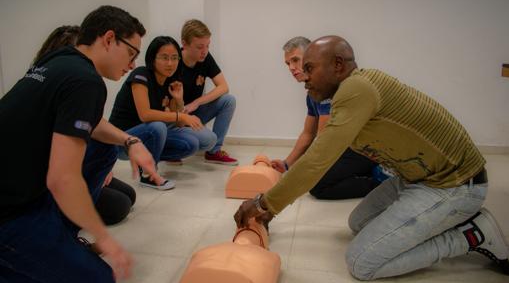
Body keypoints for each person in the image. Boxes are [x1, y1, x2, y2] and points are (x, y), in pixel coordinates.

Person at [234, 35, 509, 280]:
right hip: (417, 178)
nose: (303, 76)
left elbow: (319, 158)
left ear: (338, 66)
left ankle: (471, 235)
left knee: (362, 263)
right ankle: (440, 221)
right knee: (359, 223)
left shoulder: (357, 89)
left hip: (455, 184)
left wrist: (264, 203)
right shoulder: (350, 88)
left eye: (309, 68)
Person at [0, 5, 156, 282]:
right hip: (10, 215)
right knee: (99, 277)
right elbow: (62, 179)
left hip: (26, 195)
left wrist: (130, 140)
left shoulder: (58, 61)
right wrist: (105, 237)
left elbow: (93, 124)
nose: (132, 64)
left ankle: (58, 237)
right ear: (108, 39)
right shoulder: (86, 81)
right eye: (131, 53)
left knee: (105, 146)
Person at [33, 24, 137, 225]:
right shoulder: (67, 83)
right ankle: (62, 221)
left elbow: (92, 124)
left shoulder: (80, 84)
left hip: (71, 165)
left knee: (128, 195)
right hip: (48, 175)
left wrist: (105, 166)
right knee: (120, 205)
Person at [273, 36, 382, 200]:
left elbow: (324, 142)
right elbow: (308, 134)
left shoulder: (327, 87)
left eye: (295, 60)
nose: (291, 67)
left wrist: (296, 177)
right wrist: (286, 164)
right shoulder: (312, 93)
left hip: (365, 150)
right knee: (315, 177)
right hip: (347, 147)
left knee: (317, 186)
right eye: (288, 63)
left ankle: (380, 181)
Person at [110, 36, 217, 188]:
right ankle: (148, 175)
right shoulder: (141, 75)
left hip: (145, 139)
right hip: (122, 141)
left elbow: (178, 123)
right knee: (158, 126)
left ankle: (146, 162)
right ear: (153, 59)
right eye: (164, 58)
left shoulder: (170, 81)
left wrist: (178, 100)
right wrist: (182, 115)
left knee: (191, 144)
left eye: (174, 58)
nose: (170, 63)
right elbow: (145, 115)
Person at [169, 19, 238, 165]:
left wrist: (197, 102)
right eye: (200, 47)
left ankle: (214, 152)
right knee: (207, 138)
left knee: (229, 100)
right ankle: (171, 148)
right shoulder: (173, 62)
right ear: (184, 44)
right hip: (175, 117)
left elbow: (223, 87)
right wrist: (181, 114)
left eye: (207, 46)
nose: (205, 51)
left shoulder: (205, 57)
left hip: (193, 112)